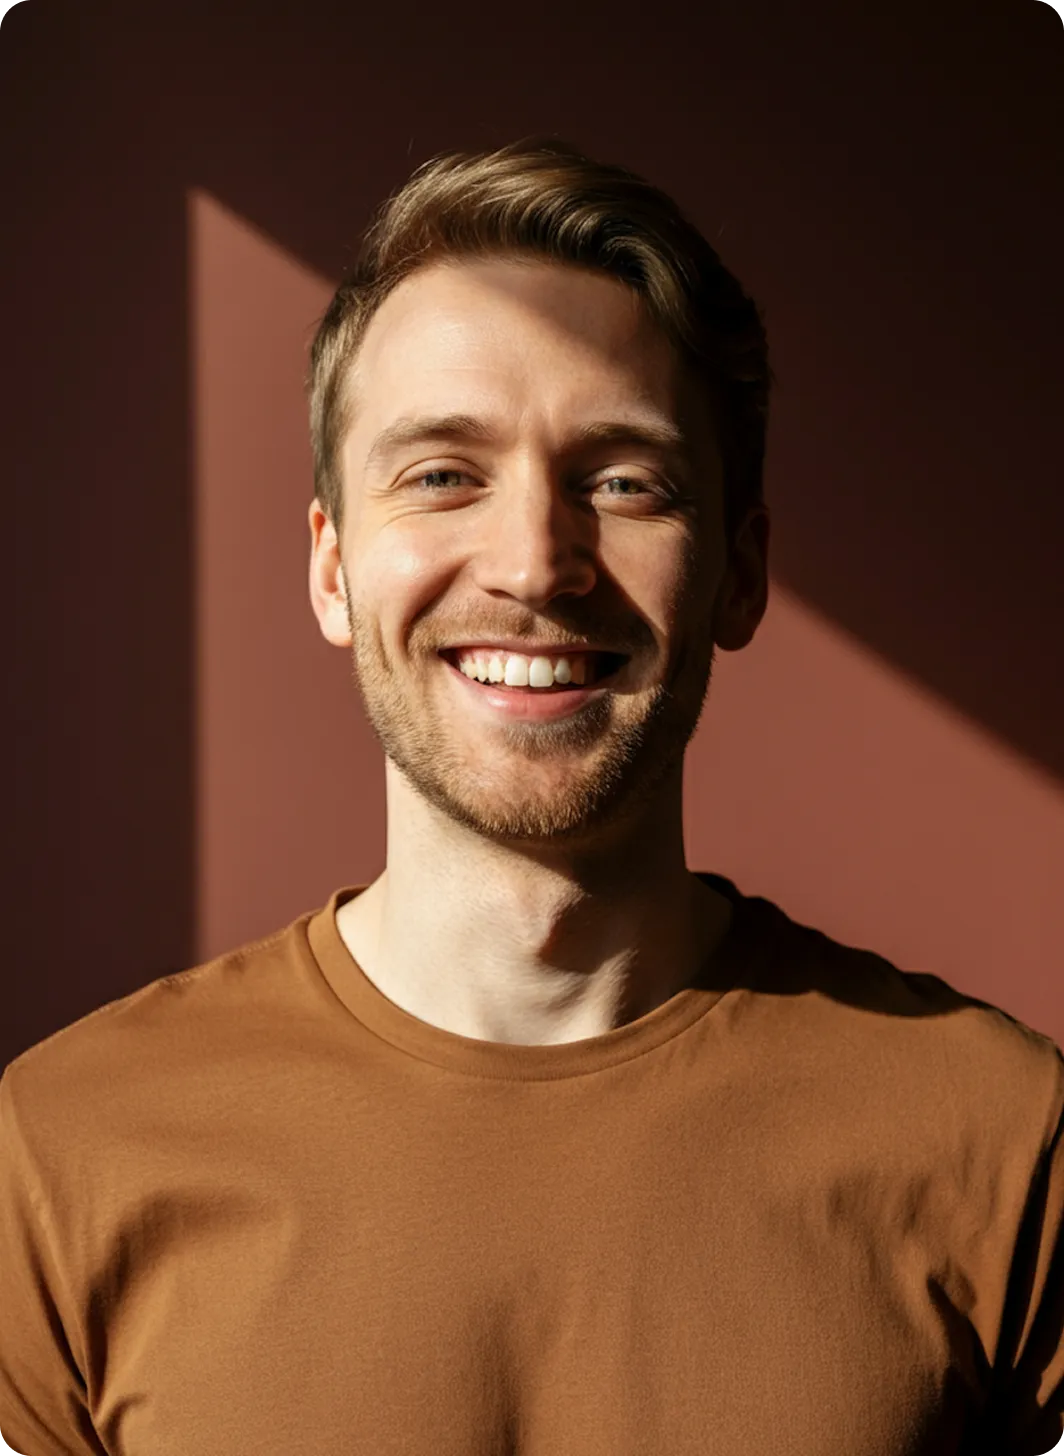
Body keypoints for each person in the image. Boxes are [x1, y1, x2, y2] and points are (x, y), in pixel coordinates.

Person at [1, 137, 1061, 1456]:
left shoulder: (1006, 1145)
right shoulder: (58, 1157)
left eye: (622, 480)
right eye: (443, 473)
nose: (535, 563)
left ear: (738, 574)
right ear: (332, 568)